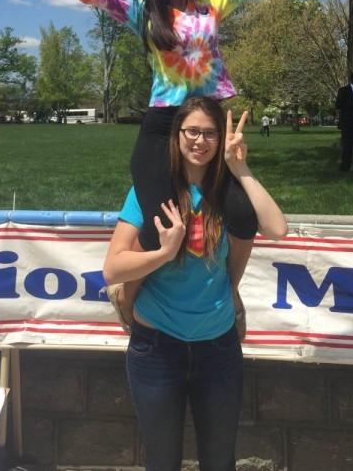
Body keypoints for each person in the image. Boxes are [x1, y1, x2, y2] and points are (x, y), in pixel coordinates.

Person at [32, 0, 301, 326]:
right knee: (159, 221)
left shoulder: (211, 7)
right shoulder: (144, 12)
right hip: (161, 128)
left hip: (207, 126)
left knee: (241, 215)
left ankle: (229, 293)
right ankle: (128, 294)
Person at [103, 97, 287, 471]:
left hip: (217, 349)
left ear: (220, 139)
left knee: (220, 461)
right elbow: (113, 269)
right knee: (163, 461)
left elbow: (277, 229)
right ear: (176, 135)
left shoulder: (230, 193)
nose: (200, 142)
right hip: (156, 348)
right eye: (192, 132)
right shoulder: (152, 192)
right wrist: (163, 253)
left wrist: (241, 166)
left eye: (210, 134)